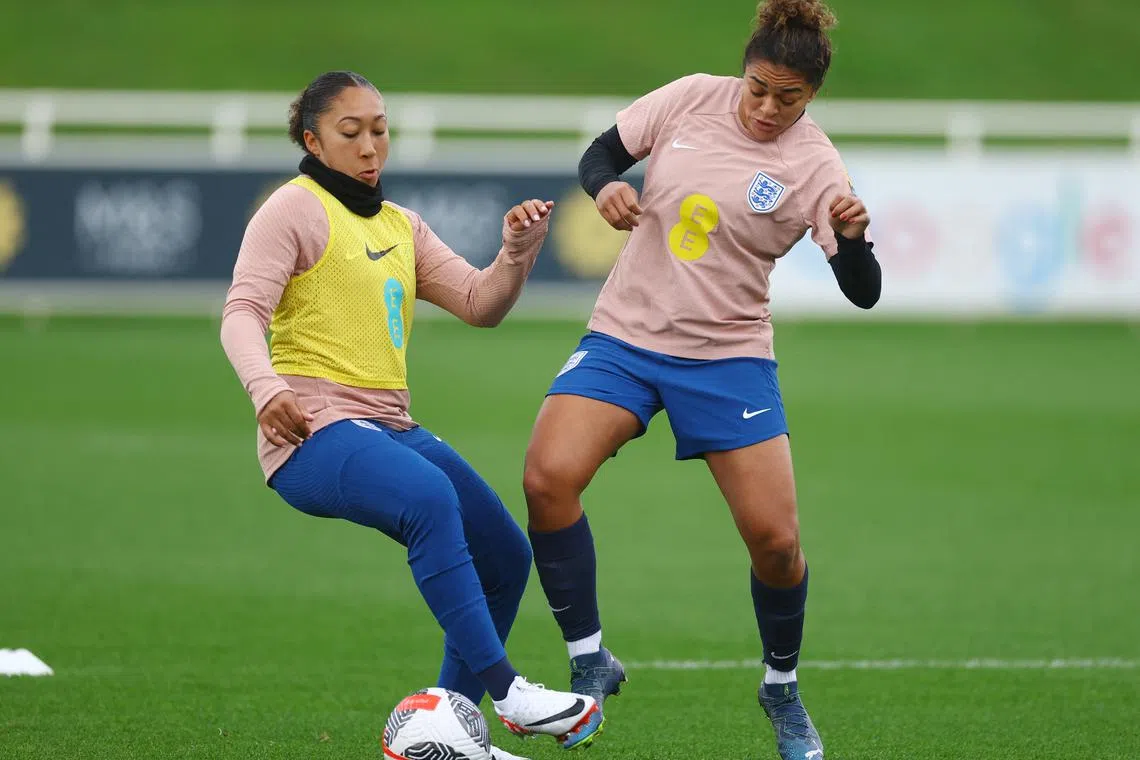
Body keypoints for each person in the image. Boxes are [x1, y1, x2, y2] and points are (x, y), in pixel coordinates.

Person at [521, 1, 882, 757]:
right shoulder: (688, 97)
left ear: (812, 95)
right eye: (758, 88)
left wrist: (851, 240)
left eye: (789, 98)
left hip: (728, 356)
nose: (767, 108)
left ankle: (781, 689)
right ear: (743, 69)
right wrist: (606, 188)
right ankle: (590, 660)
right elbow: (599, 155)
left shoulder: (815, 163)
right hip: (626, 336)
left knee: (777, 544)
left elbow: (862, 288)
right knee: (547, 478)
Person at [220, 70, 602, 758]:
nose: (371, 145)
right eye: (351, 132)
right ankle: (509, 694)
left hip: (389, 425)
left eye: (379, 128)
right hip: (311, 432)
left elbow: (481, 305)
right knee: (429, 497)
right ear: (312, 140)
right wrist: (265, 388)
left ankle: (446, 731)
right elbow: (241, 312)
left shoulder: (401, 225)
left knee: (505, 556)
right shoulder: (293, 209)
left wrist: (516, 255)